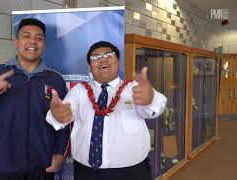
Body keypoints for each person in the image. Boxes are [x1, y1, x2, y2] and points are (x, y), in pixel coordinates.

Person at [0, 18, 70, 180]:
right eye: (26, 36)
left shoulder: (55, 80)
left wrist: (60, 154)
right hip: (0, 169)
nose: (33, 41)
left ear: (44, 45)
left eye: (39, 38)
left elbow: (64, 122)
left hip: (41, 168)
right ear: (16, 42)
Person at [46, 41, 167, 180]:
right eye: (95, 57)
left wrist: (151, 98)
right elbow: (64, 113)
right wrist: (59, 115)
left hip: (132, 173)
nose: (102, 59)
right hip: (87, 173)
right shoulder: (79, 91)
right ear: (90, 68)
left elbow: (155, 109)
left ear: (118, 61)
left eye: (108, 55)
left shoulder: (134, 88)